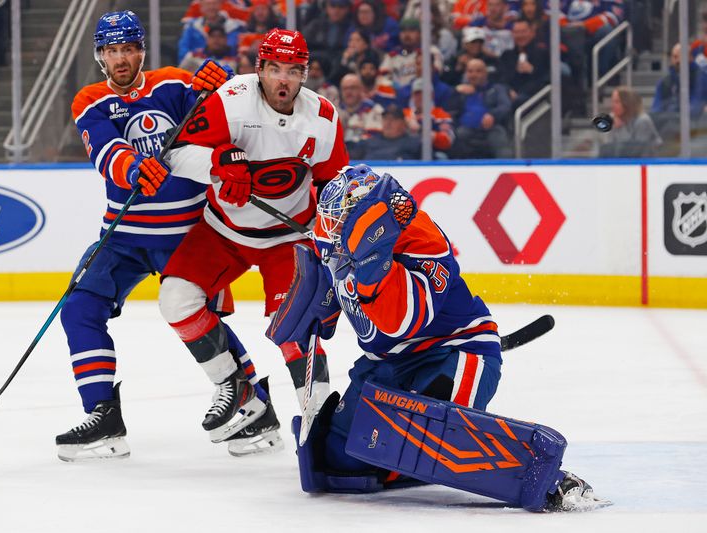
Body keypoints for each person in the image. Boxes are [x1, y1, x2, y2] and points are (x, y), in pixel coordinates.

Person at [267, 164, 606, 512]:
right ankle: (404, 457)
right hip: (385, 364)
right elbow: (330, 294)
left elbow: (400, 322)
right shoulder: (337, 243)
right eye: (332, 219)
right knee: (339, 461)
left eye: (345, 219)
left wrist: (373, 258)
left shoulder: (421, 239)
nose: (334, 229)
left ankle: (551, 480)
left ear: (371, 219)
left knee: (427, 433)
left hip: (457, 352)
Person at [56, 10, 273, 462]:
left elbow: (218, 117)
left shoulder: (173, 84)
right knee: (78, 306)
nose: (121, 58)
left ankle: (258, 408)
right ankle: (102, 416)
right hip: (123, 238)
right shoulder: (90, 100)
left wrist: (221, 84)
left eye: (128, 49)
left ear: (141, 51)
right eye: (112, 51)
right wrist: (134, 167)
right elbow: (105, 150)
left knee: (201, 320)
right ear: (101, 56)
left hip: (188, 233)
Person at [159, 28, 349, 444]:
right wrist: (217, 165)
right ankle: (239, 390)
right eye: (275, 69)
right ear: (259, 68)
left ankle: (321, 421)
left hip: (289, 239)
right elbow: (176, 153)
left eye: (294, 71)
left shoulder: (323, 118)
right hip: (223, 230)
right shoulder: (229, 99)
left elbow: (334, 185)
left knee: (296, 330)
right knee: (175, 298)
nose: (284, 80)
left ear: (305, 74)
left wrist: (337, 239)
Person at [446, 58, 512, 159]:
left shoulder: (496, 89)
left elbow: (505, 106)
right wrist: (455, 91)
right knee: (457, 136)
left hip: (491, 128)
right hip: (466, 129)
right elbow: (449, 111)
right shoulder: (460, 91)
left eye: (478, 71)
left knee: (500, 139)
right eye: (470, 71)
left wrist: (492, 115)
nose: (473, 75)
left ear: (485, 73)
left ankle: (508, 170)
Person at [498, 18, 549, 110]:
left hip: (533, 97)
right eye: (516, 32)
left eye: (523, 31)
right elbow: (501, 78)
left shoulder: (543, 54)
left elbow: (547, 79)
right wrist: (509, 90)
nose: (520, 35)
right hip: (508, 95)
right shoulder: (506, 55)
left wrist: (532, 70)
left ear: (532, 33)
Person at [599, 86, 662, 158]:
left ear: (627, 103)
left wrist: (621, 129)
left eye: (617, 102)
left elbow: (636, 151)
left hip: (649, 165)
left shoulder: (643, 121)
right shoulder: (612, 119)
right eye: (612, 101)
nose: (613, 105)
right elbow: (607, 149)